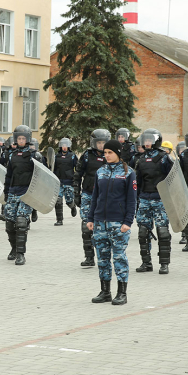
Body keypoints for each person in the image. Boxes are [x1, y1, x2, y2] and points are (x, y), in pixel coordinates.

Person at [87, 140, 137, 305]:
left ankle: (122, 293)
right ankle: (105, 291)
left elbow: (132, 200)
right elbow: (95, 197)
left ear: (118, 153)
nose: (107, 155)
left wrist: (128, 221)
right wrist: (91, 218)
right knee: (102, 258)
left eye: (110, 152)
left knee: (119, 258)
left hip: (118, 223)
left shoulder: (128, 173)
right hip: (100, 222)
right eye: (105, 153)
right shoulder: (100, 171)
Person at [133, 128, 174, 274]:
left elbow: (173, 179)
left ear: (156, 141)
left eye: (150, 140)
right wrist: (136, 201)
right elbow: (137, 182)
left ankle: (164, 264)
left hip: (160, 200)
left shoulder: (164, 158)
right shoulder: (141, 159)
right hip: (144, 199)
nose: (147, 143)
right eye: (146, 140)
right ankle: (146, 263)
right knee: (143, 232)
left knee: (162, 232)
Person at [74, 129, 110, 267]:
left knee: (103, 228)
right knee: (86, 227)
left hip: (105, 196)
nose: (101, 145)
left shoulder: (112, 156)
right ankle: (89, 257)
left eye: (103, 143)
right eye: (98, 143)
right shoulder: (87, 155)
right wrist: (76, 193)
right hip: (88, 194)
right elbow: (78, 174)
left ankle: (104, 257)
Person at [3, 125, 37, 265]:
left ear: (28, 139)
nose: (21, 140)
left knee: (21, 222)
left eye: (23, 138)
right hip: (13, 191)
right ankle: (14, 248)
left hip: (26, 193)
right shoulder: (12, 155)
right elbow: (8, 175)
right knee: (9, 224)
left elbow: (42, 176)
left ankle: (20, 254)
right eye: (19, 138)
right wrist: (6, 192)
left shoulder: (34, 155)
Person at [53, 138, 78, 226]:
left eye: (66, 146)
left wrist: (76, 180)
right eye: (63, 145)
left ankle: (73, 206)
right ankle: (59, 220)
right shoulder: (56, 156)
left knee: (69, 200)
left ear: (68, 147)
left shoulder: (72, 156)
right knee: (58, 201)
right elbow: (52, 168)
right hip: (58, 182)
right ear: (60, 146)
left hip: (69, 182)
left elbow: (77, 168)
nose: (64, 147)